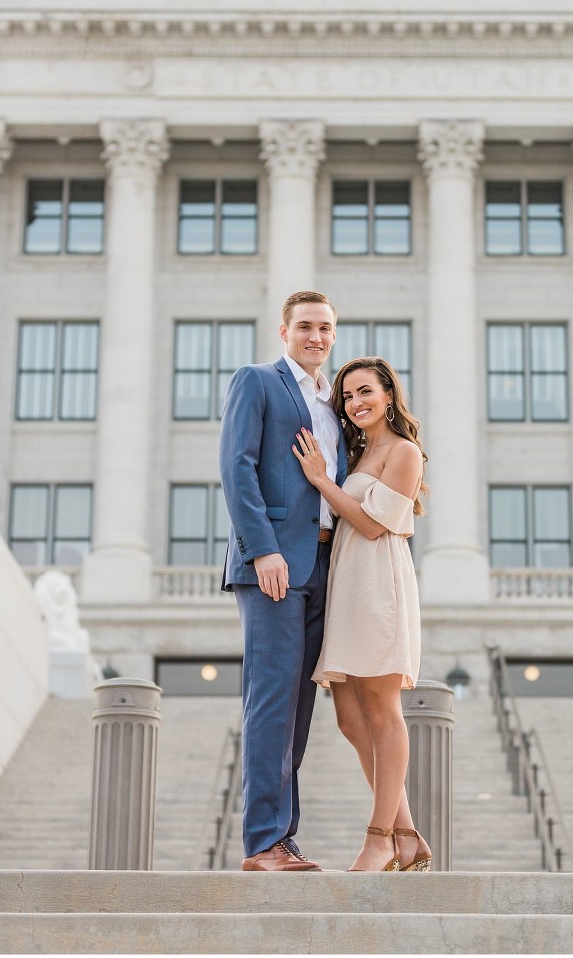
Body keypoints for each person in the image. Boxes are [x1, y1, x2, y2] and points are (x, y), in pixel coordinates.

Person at [219, 290, 346, 872]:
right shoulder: (258, 381)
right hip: (272, 565)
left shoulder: (334, 400)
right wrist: (262, 551)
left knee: (298, 706)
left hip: (322, 565)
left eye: (324, 327)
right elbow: (236, 466)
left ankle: (283, 836)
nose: (315, 336)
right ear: (284, 330)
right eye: (305, 327)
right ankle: (262, 842)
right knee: (270, 701)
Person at [292, 356, 431, 873]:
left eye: (365, 392)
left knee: (381, 710)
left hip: (379, 586)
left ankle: (380, 837)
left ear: (389, 395)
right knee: (351, 720)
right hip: (345, 585)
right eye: (347, 397)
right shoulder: (358, 452)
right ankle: (408, 833)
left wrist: (322, 481)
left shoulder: (405, 452)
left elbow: (375, 525)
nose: (356, 403)